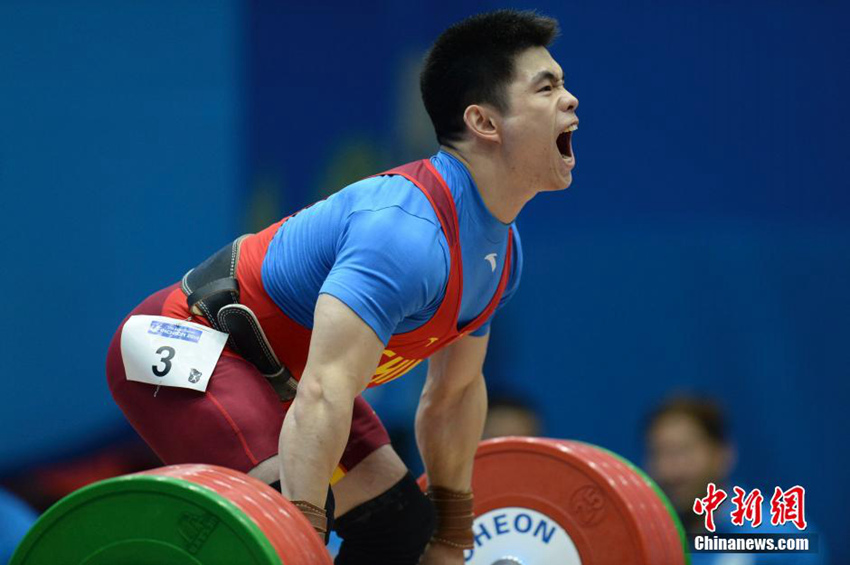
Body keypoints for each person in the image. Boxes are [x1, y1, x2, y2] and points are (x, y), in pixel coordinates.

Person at [105, 10, 578, 564]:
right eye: (547, 88)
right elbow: (326, 393)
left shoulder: (501, 251)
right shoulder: (405, 233)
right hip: (192, 340)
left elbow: (453, 395)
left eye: (564, 83)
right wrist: (300, 538)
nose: (569, 99)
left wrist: (452, 534)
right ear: (485, 122)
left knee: (400, 526)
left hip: (286, 375)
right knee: (283, 513)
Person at [644, 395, 828, 565]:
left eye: (684, 451)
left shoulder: (782, 538)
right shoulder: (647, 540)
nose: (670, 470)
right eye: (658, 453)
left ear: (723, 454)